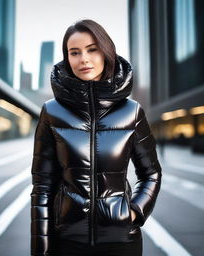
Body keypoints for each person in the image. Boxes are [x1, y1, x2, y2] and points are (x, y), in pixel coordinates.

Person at [30, 19, 162, 256]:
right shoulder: (51, 112)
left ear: (106, 51)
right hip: (67, 241)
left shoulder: (131, 112)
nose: (84, 59)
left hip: (121, 241)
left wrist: (133, 212)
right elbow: (42, 187)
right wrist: (41, 248)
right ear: (67, 58)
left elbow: (151, 173)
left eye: (92, 49)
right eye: (75, 52)